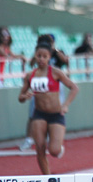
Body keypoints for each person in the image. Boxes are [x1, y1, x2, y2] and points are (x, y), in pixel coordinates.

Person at [18, 41, 79, 174]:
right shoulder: (30, 75)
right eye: (39, 56)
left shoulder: (56, 72)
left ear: (49, 57)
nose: (41, 59)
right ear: (35, 56)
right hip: (39, 114)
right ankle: (48, 179)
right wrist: (25, 96)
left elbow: (74, 88)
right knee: (39, 148)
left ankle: (58, 149)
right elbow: (20, 97)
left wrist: (66, 105)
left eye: (45, 56)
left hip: (56, 114)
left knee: (54, 150)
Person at [20, 34, 69, 150]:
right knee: (33, 112)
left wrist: (54, 50)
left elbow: (65, 60)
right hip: (39, 83)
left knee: (56, 110)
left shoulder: (57, 52)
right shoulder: (38, 54)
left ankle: (54, 139)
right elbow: (31, 64)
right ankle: (29, 139)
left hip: (54, 84)